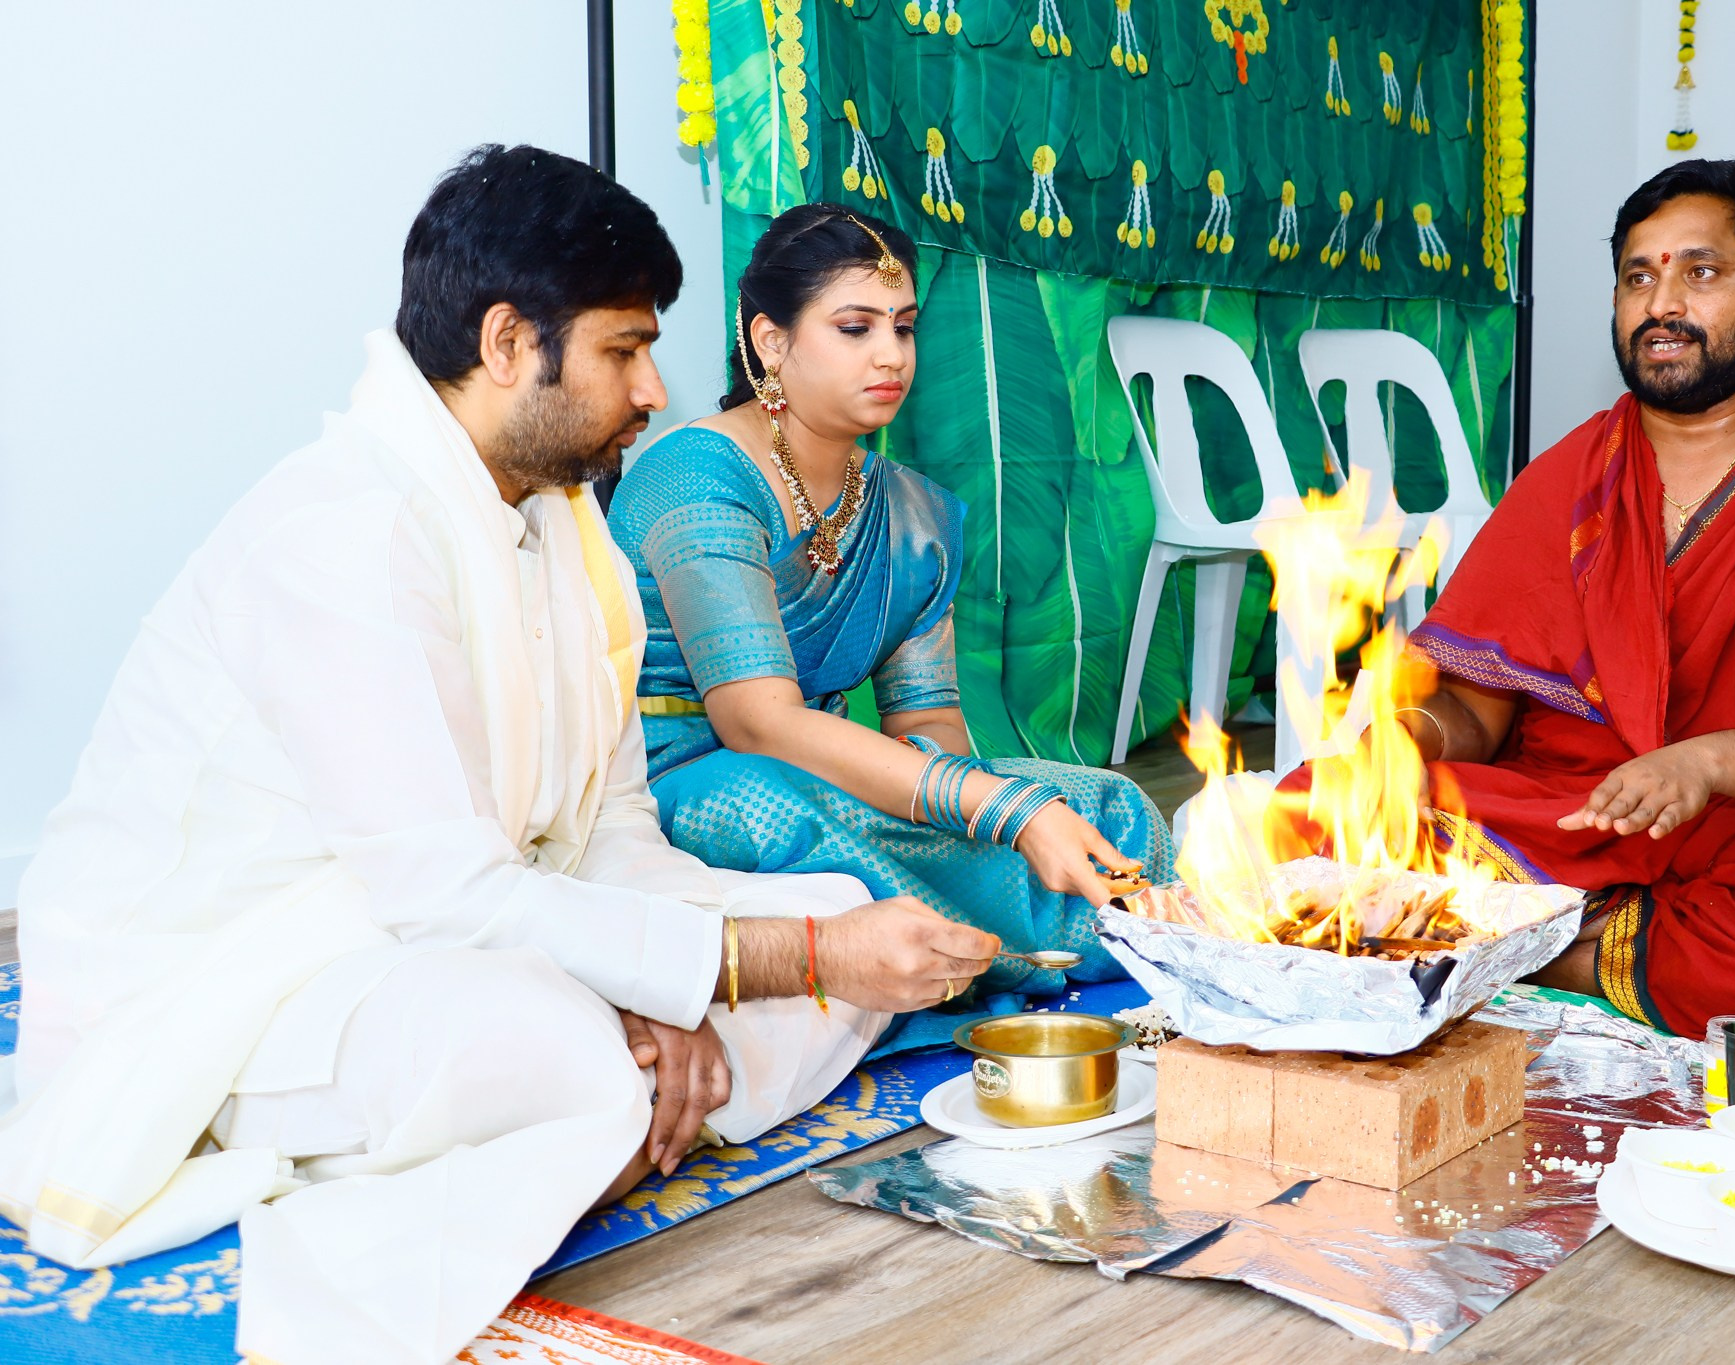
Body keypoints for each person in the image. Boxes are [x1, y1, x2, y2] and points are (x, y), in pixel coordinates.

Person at [0, 146, 998, 1365]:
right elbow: (440, 895)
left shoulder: (557, 524)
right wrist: (748, 967)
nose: (651, 390)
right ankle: (604, 1108)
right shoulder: (342, 536)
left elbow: (611, 823)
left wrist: (688, 978)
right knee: (582, 1042)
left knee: (835, 909)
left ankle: (607, 1118)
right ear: (513, 341)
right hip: (244, 979)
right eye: (624, 350)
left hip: (439, 942)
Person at [1281, 159, 1735, 1050]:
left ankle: (1546, 947)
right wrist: (1404, 736)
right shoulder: (1565, 481)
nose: (1661, 301)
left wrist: (1704, 766)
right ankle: (1595, 929)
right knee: (1307, 820)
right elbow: (1475, 720)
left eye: (1701, 271)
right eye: (1639, 276)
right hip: (1577, 818)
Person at [607, 203, 1172, 997]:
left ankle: (1006, 950)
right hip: (684, 777)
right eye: (856, 327)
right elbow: (755, 721)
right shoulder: (697, 475)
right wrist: (1002, 812)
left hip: (829, 767)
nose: (891, 355)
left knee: (1103, 803)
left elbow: (927, 725)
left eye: (903, 327)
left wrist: (999, 807)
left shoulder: (913, 513)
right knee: (793, 813)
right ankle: (997, 960)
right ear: (771, 340)